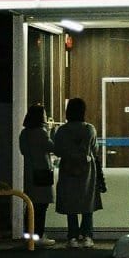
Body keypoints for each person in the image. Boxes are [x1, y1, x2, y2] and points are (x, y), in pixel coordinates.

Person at [53, 97, 102, 248]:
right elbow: (95, 150)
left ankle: (72, 237)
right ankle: (87, 236)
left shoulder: (61, 130)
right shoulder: (89, 129)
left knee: (70, 202)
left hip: (68, 169)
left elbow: (58, 151)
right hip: (86, 170)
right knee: (87, 201)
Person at [18, 103, 56, 246]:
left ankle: (29, 235)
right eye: (44, 114)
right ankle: (38, 236)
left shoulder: (24, 133)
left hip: (30, 171)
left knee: (31, 205)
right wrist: (51, 131)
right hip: (42, 171)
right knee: (41, 205)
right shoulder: (40, 132)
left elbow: (23, 151)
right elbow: (52, 147)